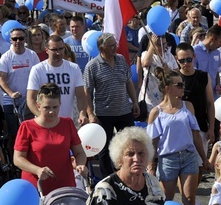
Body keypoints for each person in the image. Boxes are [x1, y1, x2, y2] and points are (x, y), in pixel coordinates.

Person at [13, 83, 88, 205]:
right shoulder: (27, 126)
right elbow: (18, 158)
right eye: (47, 107)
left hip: (63, 184)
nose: (52, 111)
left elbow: (79, 152)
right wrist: (37, 170)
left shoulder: (67, 124)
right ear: (38, 105)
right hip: (36, 186)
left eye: (55, 107)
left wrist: (80, 165)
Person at [147, 67, 210, 205]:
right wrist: (151, 165)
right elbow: (152, 142)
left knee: (189, 198)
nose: (183, 88)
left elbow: (196, 135)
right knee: (165, 201)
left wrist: (204, 158)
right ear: (167, 88)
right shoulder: (156, 112)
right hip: (167, 159)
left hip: (189, 156)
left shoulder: (188, 106)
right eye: (179, 85)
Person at [84, 33, 140, 179]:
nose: (115, 48)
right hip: (104, 113)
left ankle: (128, 174)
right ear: (101, 48)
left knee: (130, 144)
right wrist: (90, 113)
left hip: (124, 110)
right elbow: (87, 91)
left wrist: (134, 102)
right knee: (104, 149)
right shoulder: (92, 66)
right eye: (111, 46)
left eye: (115, 45)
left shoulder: (121, 60)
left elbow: (128, 81)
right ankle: (107, 179)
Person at [26, 35, 88, 124]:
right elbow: (31, 99)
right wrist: (41, 116)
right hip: (45, 122)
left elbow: (81, 96)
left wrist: (82, 113)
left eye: (61, 49)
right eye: (54, 50)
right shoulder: (38, 69)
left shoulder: (74, 68)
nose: (58, 53)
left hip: (66, 121)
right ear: (47, 50)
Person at [0, 26, 40, 146]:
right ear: (10, 40)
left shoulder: (32, 55)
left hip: (29, 100)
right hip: (11, 101)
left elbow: (39, 75)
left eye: (20, 38)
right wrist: (11, 93)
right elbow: (1, 79)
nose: (18, 41)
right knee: (13, 133)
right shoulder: (6, 57)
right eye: (15, 39)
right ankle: (13, 161)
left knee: (31, 131)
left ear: (25, 39)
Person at [138, 31, 178, 114]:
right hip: (150, 96)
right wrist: (152, 46)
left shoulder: (169, 55)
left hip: (165, 95)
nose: (163, 47)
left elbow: (177, 72)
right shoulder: (146, 54)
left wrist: (169, 71)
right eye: (159, 45)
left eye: (164, 44)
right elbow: (145, 63)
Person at [193, 24, 221, 97]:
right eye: (220, 41)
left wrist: (219, 84)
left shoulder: (217, 53)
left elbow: (217, 71)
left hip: (214, 97)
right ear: (212, 39)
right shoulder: (194, 51)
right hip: (199, 96)